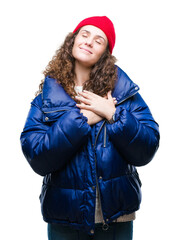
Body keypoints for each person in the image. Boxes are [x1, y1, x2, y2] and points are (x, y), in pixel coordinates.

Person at [20, 16, 160, 240]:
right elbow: (37, 157)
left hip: (116, 217)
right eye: (84, 34)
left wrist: (112, 114)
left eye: (99, 40)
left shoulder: (123, 95)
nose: (89, 42)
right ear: (73, 41)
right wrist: (81, 119)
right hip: (64, 217)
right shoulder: (47, 99)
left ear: (105, 53)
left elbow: (148, 147)